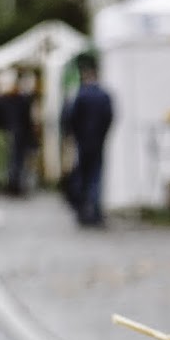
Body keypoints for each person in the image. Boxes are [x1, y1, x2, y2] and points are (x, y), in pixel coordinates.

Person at [62, 66, 115, 229]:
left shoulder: (81, 95)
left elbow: (71, 118)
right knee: (96, 177)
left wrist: (76, 135)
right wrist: (102, 135)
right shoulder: (104, 95)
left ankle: (84, 211)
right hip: (98, 141)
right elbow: (110, 116)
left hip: (83, 142)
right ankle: (96, 212)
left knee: (83, 177)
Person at [0, 72, 41, 197]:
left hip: (15, 133)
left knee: (14, 161)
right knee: (16, 161)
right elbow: (27, 120)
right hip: (19, 134)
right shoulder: (22, 100)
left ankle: (14, 185)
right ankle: (14, 185)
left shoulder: (9, 100)